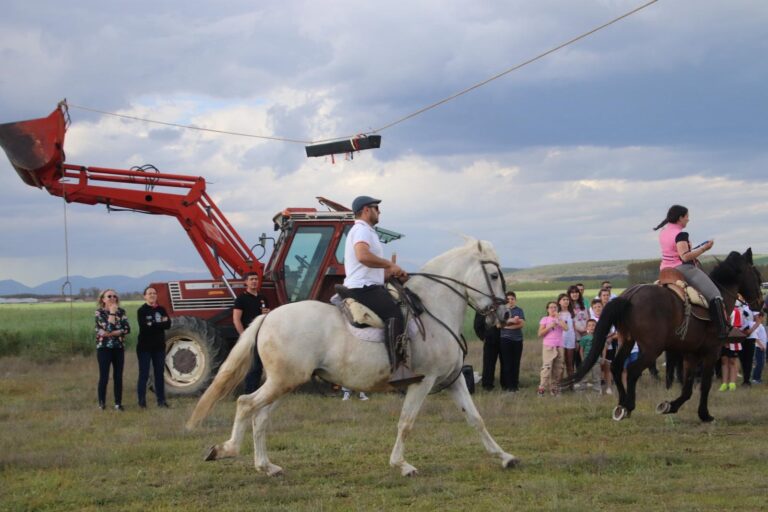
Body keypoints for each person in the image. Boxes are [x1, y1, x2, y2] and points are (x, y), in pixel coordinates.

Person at [343, 196, 423, 387]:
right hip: (363, 288)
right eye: (376, 207)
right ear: (366, 210)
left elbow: (370, 268)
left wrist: (391, 274)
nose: (379, 211)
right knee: (395, 314)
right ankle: (398, 370)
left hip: (369, 283)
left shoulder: (366, 231)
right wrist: (389, 264)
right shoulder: (362, 230)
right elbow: (363, 256)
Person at [654, 204, 729, 338]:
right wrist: (704, 249)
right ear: (680, 218)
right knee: (715, 295)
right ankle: (722, 331)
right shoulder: (681, 234)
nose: (688, 219)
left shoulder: (663, 231)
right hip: (682, 268)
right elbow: (685, 256)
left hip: (665, 269)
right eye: (687, 217)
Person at [233, 272, 270, 393]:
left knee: (259, 366)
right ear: (246, 282)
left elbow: (266, 317)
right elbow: (236, 319)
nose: (254, 281)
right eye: (251, 279)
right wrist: (244, 336)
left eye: (256, 279)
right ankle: (249, 391)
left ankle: (256, 390)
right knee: (252, 366)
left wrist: (267, 313)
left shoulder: (263, 298)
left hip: (262, 336)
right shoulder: (241, 299)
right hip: (250, 337)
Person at [136, 286, 172, 408]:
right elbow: (145, 327)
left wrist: (154, 323)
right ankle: (142, 402)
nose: (152, 295)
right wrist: (160, 323)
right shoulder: (141, 310)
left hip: (159, 347)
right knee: (144, 375)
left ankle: (161, 401)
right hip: (144, 348)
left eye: (154, 293)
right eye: (149, 293)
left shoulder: (161, 309)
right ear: (145, 296)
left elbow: (168, 325)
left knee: (159, 374)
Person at [95, 289, 130, 411]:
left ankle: (118, 404)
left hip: (118, 348)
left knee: (118, 376)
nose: (112, 298)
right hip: (104, 349)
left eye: (114, 296)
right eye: (109, 296)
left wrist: (109, 333)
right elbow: (109, 329)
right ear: (103, 299)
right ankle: (101, 403)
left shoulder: (122, 312)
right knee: (104, 376)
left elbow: (126, 329)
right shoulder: (99, 313)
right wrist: (112, 314)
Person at [537, 301, 567, 396]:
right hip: (548, 346)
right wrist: (549, 326)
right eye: (551, 307)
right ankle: (541, 388)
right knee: (547, 367)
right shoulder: (545, 319)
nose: (553, 309)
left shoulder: (560, 319)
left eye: (555, 307)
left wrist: (558, 319)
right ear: (547, 309)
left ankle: (554, 388)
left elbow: (566, 328)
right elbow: (540, 333)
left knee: (558, 368)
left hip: (559, 346)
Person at [499, 291, 525, 392]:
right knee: (507, 363)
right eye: (508, 299)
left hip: (518, 340)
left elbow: (521, 324)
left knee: (516, 363)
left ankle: (515, 385)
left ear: (515, 300)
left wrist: (506, 324)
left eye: (512, 299)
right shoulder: (502, 311)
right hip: (505, 340)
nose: (510, 301)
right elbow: (498, 325)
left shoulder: (519, 310)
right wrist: (511, 321)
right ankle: (508, 386)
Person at [738, 300, 759, 387]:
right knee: (742, 358)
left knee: (749, 359)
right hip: (740, 335)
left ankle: (746, 380)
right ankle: (745, 377)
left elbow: (758, 321)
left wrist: (751, 330)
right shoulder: (738, 304)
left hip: (750, 337)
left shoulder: (752, 305)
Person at [557, 293, 576, 389]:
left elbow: (574, 328)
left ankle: (571, 385)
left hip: (571, 339)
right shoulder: (557, 314)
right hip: (560, 340)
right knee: (561, 363)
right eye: (564, 299)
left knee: (570, 363)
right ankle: (559, 385)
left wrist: (576, 340)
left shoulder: (572, 313)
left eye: (567, 299)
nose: (566, 301)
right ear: (559, 301)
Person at [578, 319, 601, 389]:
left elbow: (601, 349)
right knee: (584, 375)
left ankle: (597, 390)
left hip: (596, 360)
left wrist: (602, 358)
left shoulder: (599, 337)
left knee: (596, 376)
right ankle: (582, 388)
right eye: (589, 326)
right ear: (587, 328)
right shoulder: (584, 338)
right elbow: (581, 350)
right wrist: (583, 359)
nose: (592, 327)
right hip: (587, 360)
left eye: (594, 325)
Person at [751, 312, 766, 384]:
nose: (764, 319)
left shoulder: (761, 325)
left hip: (762, 347)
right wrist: (760, 345)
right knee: (759, 363)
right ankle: (755, 378)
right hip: (759, 347)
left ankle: (758, 378)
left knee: (761, 363)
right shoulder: (757, 325)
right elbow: (755, 336)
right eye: (763, 317)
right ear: (760, 317)